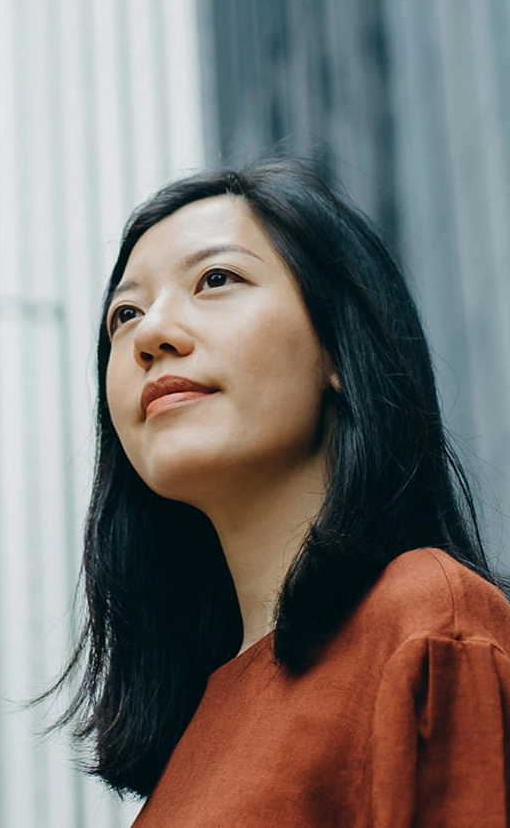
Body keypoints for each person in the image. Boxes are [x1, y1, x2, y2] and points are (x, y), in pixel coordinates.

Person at [48, 158, 510, 825]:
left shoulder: (429, 623)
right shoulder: (191, 740)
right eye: (125, 314)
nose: (149, 334)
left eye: (216, 279)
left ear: (338, 351)